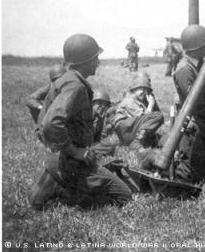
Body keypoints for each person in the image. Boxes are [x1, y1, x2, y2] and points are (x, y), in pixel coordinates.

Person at [28, 34, 132, 210]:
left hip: (55, 156)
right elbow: (52, 123)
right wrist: (75, 151)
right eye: (95, 58)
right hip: (71, 161)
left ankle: (54, 183)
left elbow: (43, 119)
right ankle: (66, 193)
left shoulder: (63, 79)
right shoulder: (74, 86)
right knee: (124, 196)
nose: (97, 63)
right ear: (84, 61)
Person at [144, 25, 205, 184]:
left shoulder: (198, 63)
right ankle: (150, 158)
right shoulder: (184, 69)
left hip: (202, 123)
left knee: (201, 174)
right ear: (199, 46)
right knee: (189, 179)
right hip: (191, 125)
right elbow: (195, 106)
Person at [113, 72, 164, 158]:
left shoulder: (140, 102)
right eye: (141, 88)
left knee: (159, 138)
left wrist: (152, 103)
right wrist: (151, 104)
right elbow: (147, 118)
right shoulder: (129, 101)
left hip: (131, 129)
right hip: (125, 128)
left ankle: (139, 146)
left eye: (146, 90)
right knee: (158, 116)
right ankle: (136, 143)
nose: (144, 92)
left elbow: (148, 122)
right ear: (133, 89)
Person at [90, 89, 119, 156]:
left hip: (92, 145)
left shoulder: (102, 118)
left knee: (111, 146)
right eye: (99, 103)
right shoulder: (88, 116)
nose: (102, 106)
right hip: (81, 146)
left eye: (105, 104)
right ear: (93, 103)